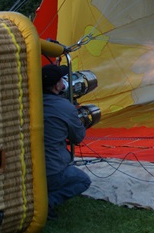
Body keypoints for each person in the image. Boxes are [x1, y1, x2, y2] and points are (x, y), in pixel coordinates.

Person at [42, 64, 91, 219]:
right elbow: (78, 138)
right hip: (50, 171)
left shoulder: (25, 102)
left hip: (25, 170)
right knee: (82, 181)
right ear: (57, 86)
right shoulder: (65, 107)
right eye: (62, 80)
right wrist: (75, 117)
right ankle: (45, 204)